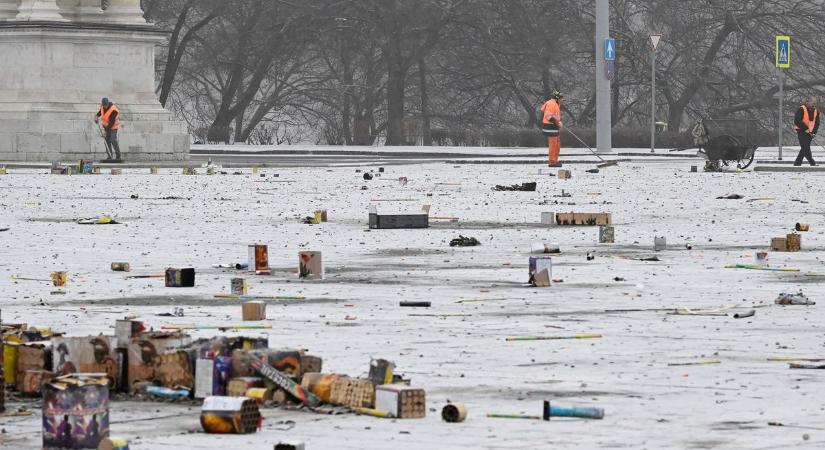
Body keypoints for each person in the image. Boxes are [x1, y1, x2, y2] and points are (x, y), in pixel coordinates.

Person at [95, 97, 122, 162]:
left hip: (113, 127)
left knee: (113, 140)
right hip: (106, 127)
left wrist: (105, 132)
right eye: (104, 105)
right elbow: (99, 113)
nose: (105, 107)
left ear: (108, 103)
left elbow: (111, 123)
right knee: (106, 141)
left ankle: (118, 156)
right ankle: (110, 156)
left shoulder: (113, 110)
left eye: (106, 105)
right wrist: (96, 117)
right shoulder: (102, 107)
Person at [794, 97, 819, 166]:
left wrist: (814, 132)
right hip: (801, 131)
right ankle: (812, 162)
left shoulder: (816, 111)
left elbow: (817, 123)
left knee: (804, 147)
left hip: (810, 133)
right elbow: (797, 121)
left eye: (814, 102)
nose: (813, 103)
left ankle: (797, 163)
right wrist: (805, 129)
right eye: (811, 101)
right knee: (806, 147)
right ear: (807, 102)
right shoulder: (801, 109)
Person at [540, 91, 563, 166]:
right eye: (560, 98)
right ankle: (552, 162)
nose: (561, 100)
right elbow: (548, 116)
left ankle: (555, 160)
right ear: (557, 98)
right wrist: (557, 122)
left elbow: (555, 116)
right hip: (550, 127)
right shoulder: (551, 104)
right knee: (553, 145)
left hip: (554, 127)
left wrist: (558, 122)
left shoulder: (555, 104)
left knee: (557, 145)